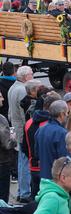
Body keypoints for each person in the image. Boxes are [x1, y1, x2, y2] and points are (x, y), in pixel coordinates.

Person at [23, 93, 60, 199]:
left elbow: (24, 146)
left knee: (35, 197)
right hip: (49, 169)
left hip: (33, 166)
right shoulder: (52, 126)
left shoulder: (28, 123)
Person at [8, 65, 34, 203]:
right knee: (24, 161)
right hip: (23, 129)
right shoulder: (22, 90)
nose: (32, 76)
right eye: (31, 74)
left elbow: (11, 112)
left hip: (17, 127)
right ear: (25, 77)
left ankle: (20, 191)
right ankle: (24, 192)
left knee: (21, 161)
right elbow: (25, 112)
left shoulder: (13, 88)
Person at [34, 100, 69, 180]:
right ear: (62, 114)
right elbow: (64, 158)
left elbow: (36, 154)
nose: (67, 115)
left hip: (43, 176)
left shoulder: (40, 130)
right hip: (56, 178)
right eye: (67, 113)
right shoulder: (62, 133)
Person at [0, 110, 16, 202]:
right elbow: (7, 144)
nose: (3, 99)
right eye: (0, 96)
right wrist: (13, 138)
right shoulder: (1, 119)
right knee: (2, 196)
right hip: (2, 162)